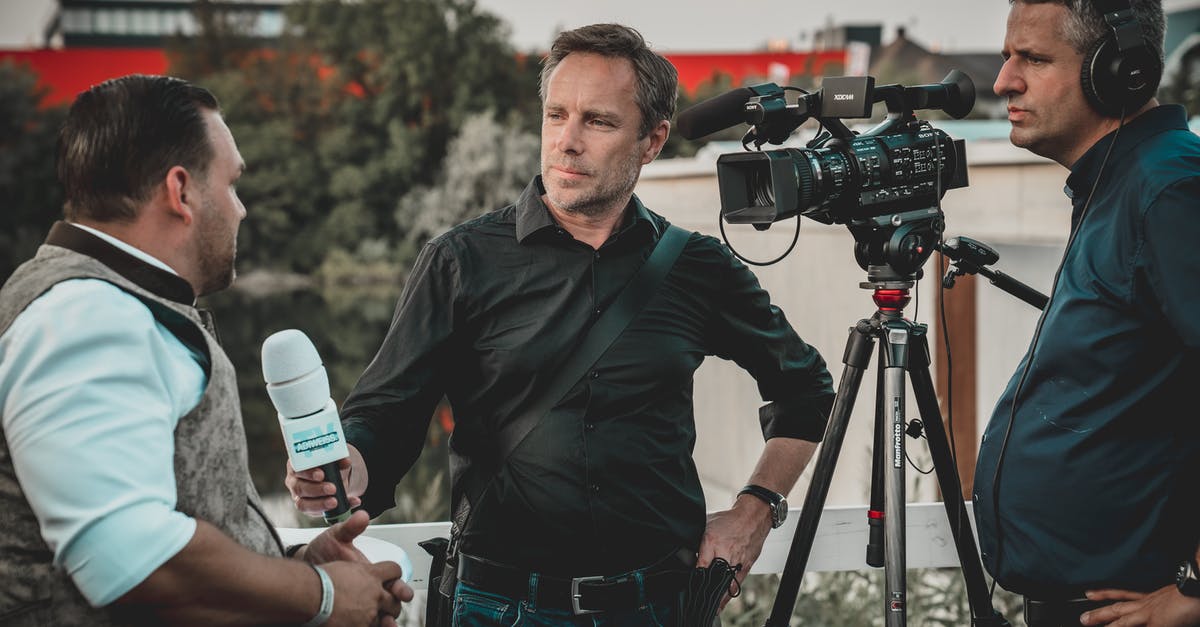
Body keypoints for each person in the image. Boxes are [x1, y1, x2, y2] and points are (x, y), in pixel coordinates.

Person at [286, 23, 835, 626]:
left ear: (652, 140)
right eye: (556, 115)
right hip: (498, 607)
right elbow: (387, 412)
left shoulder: (697, 266)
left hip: (658, 605)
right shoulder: (462, 259)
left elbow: (804, 388)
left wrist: (756, 508)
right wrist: (347, 464)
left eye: (597, 121)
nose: (566, 142)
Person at [0, 74, 413, 626]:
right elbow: (130, 560)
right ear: (182, 191)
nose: (240, 209)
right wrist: (322, 595)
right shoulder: (86, 316)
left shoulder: (119, 306)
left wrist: (289, 562)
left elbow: (168, 524)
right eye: (232, 184)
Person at [972, 1, 1200, 626]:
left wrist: (1198, 591)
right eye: (1006, 57)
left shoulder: (1170, 188)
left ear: (1121, 71)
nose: (1004, 83)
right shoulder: (1120, 182)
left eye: (1034, 59)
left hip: (1131, 606)